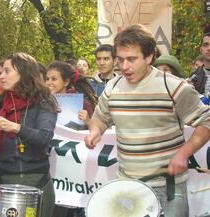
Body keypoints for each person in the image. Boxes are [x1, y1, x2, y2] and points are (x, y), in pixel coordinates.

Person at [84, 24, 210, 217]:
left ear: (149, 56)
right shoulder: (112, 87)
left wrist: (184, 154)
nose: (124, 66)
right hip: (128, 185)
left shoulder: (174, 87)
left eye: (132, 59)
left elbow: (206, 123)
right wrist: (95, 131)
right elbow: (99, 118)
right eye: (120, 59)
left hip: (168, 187)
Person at [0, 52, 58, 217]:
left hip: (37, 181)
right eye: (0, 73)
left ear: (23, 72)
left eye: (7, 71)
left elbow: (44, 138)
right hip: (4, 180)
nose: (1, 76)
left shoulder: (43, 100)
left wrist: (16, 128)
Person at [46, 61, 98, 128]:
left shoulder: (82, 103)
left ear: (66, 82)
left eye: (54, 79)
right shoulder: (42, 101)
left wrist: (88, 121)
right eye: (47, 79)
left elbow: (96, 130)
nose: (49, 82)